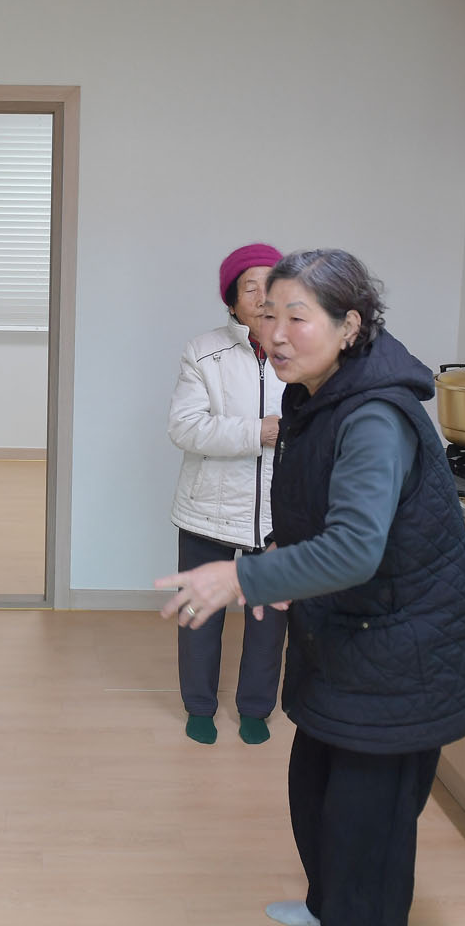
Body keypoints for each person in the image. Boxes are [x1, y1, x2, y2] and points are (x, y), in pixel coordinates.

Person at [155, 248, 465, 926]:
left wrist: (242, 575)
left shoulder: (374, 417)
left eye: (298, 317)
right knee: (316, 795)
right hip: (352, 639)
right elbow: (326, 509)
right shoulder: (317, 395)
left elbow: (354, 547)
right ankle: (324, 909)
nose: (277, 333)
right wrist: (287, 554)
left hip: (403, 657)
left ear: (350, 325)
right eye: (268, 314)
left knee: (367, 836)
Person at [167, 243, 287, 745]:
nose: (261, 297)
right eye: (249, 287)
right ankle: (199, 707)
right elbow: (185, 427)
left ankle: (255, 709)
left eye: (270, 285)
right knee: (200, 612)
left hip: (279, 513)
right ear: (232, 301)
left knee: (269, 618)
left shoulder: (305, 349)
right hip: (207, 510)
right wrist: (259, 432)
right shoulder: (203, 351)